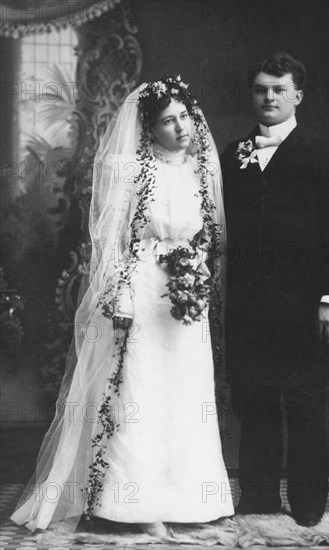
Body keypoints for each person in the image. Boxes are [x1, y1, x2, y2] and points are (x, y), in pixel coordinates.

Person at [11, 75, 234, 535]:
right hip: (144, 286)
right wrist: (120, 293)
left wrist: (199, 276)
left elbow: (211, 238)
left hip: (187, 292)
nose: (180, 128)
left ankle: (191, 500)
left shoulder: (200, 170)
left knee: (187, 393)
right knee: (142, 391)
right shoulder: (131, 169)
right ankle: (135, 504)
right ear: (150, 128)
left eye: (184, 117)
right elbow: (110, 240)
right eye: (167, 121)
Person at [221, 52, 329, 527]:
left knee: (303, 404)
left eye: (279, 89)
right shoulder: (231, 154)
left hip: (305, 306)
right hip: (248, 306)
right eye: (261, 89)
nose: (269, 97)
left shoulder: (325, 156)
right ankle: (258, 500)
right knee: (254, 402)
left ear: (297, 95)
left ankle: (307, 505)